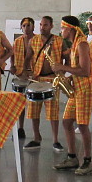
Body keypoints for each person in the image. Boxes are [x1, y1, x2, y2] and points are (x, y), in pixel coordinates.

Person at [52, 16, 92, 175]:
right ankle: (72, 157)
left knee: (83, 125)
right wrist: (69, 78)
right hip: (77, 87)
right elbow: (79, 69)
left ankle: (87, 161)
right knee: (67, 122)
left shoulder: (82, 44)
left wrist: (62, 67)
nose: (61, 31)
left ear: (71, 29)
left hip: (85, 88)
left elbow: (85, 71)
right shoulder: (75, 45)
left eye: (63, 28)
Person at [22, 16, 66, 152]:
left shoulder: (59, 41)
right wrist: (26, 72)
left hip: (52, 79)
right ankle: (36, 137)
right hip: (37, 79)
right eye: (40, 25)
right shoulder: (33, 40)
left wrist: (64, 73)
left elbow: (67, 58)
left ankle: (55, 140)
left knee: (53, 111)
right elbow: (27, 57)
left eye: (45, 25)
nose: (42, 27)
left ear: (52, 26)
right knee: (34, 110)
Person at [10, 17, 36, 139]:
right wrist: (12, 66)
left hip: (34, 75)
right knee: (20, 103)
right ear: (21, 27)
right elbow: (12, 54)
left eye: (28, 25)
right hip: (20, 74)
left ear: (33, 27)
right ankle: (20, 127)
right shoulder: (17, 41)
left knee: (34, 104)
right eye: (24, 26)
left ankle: (36, 132)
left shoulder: (38, 40)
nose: (26, 28)